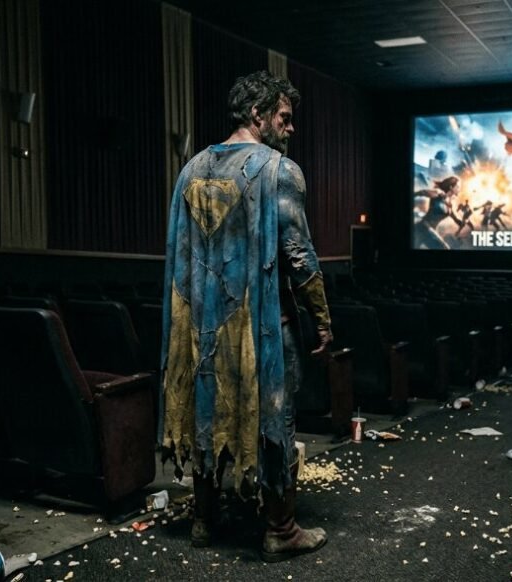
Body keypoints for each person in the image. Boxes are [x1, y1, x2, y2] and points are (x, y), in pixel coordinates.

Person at [160, 70, 331, 563]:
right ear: (258, 115)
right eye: (285, 117)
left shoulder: (189, 169)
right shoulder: (280, 170)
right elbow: (299, 256)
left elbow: (179, 257)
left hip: (199, 325)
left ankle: (202, 519)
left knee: (206, 408)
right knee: (275, 418)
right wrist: (322, 319)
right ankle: (281, 528)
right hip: (261, 327)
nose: (290, 128)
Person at [413, 176, 462, 249]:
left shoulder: (449, 203)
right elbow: (422, 192)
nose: (459, 189)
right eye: (458, 186)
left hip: (426, 230)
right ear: (451, 187)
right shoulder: (439, 193)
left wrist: (461, 222)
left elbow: (454, 216)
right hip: (424, 227)